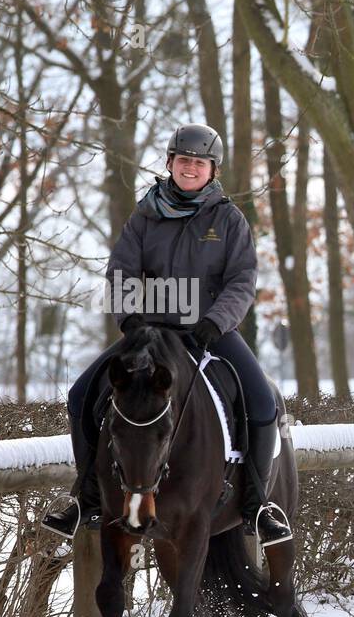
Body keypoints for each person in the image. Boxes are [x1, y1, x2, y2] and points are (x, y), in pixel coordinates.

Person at [42, 124, 291, 545]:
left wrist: (216, 320)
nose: (190, 168)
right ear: (170, 164)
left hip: (210, 332)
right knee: (81, 394)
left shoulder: (229, 219)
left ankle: (257, 504)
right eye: (183, 160)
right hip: (149, 334)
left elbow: (242, 279)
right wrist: (130, 317)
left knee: (262, 402)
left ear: (213, 170)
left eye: (199, 162)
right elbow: (121, 269)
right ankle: (85, 496)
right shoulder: (145, 214)